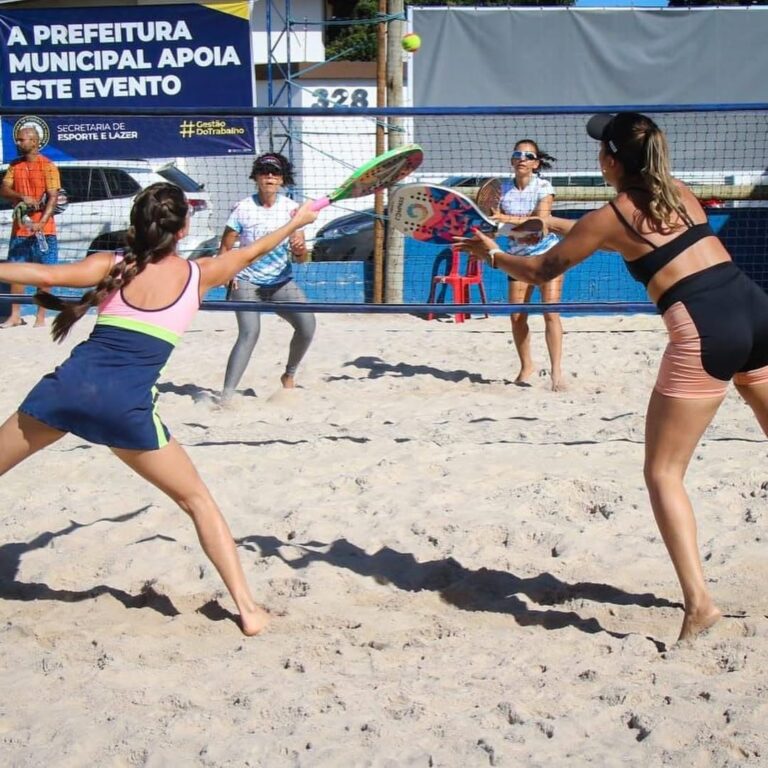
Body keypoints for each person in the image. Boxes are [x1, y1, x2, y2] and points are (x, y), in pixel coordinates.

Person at [456, 111, 768, 643]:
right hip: (756, 312)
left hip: (705, 331)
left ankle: (699, 606)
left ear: (610, 160)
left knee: (663, 474)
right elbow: (604, 232)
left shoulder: (612, 215)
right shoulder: (678, 190)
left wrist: (494, 253)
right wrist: (549, 225)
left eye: (601, 147)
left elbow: (540, 271)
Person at [0, 182, 318, 636]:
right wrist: (297, 222)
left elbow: (44, 276)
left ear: (136, 225)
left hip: (66, 391)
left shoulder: (112, 265)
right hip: (124, 410)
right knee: (198, 502)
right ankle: (248, 610)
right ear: (184, 228)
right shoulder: (199, 274)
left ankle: (248, 609)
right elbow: (253, 252)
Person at [219, 152, 315, 403]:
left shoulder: (292, 210)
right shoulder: (242, 208)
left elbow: (301, 257)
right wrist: (227, 274)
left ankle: (289, 375)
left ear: (283, 179)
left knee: (308, 326)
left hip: (280, 281)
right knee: (250, 333)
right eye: (264, 172)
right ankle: (227, 396)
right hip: (247, 280)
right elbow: (225, 248)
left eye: (275, 173)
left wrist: (300, 250)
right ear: (256, 177)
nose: (270, 177)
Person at [489, 140, 565, 390]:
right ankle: (526, 366)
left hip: (546, 255)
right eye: (517, 154)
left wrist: (505, 220)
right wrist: (492, 235)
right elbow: (491, 221)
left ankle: (556, 373)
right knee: (516, 316)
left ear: (536, 163)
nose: (522, 158)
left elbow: (540, 222)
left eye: (528, 155)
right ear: (512, 161)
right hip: (517, 258)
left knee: (550, 313)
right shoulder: (501, 189)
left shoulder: (544, 187)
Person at [0, 126, 60, 328]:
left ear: (35, 142)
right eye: (17, 139)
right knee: (17, 272)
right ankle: (15, 315)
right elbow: (4, 190)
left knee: (44, 275)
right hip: (21, 228)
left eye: (22, 139)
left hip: (45, 229)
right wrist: (21, 197)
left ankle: (40, 317)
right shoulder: (15, 166)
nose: (18, 142)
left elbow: (53, 197)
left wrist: (41, 222)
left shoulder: (48, 166)